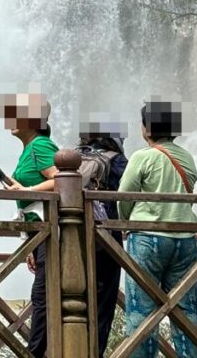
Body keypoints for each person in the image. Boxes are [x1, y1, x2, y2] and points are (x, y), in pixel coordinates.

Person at [117, 98, 197, 358]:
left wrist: (126, 223)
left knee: (141, 313)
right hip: (186, 240)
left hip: (147, 238)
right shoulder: (188, 158)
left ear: (147, 128)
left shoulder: (142, 157)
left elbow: (124, 196)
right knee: (186, 314)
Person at [0, 92, 58, 358]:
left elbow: (63, 178)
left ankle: (36, 353)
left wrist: (27, 188)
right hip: (39, 234)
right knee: (41, 298)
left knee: (43, 299)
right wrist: (29, 245)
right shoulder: (29, 149)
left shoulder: (40, 146)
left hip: (50, 235)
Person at [76, 121, 128, 358]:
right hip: (105, 240)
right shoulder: (116, 160)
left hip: (71, 240)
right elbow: (128, 194)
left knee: (73, 299)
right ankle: (94, 353)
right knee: (102, 304)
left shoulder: (74, 157)